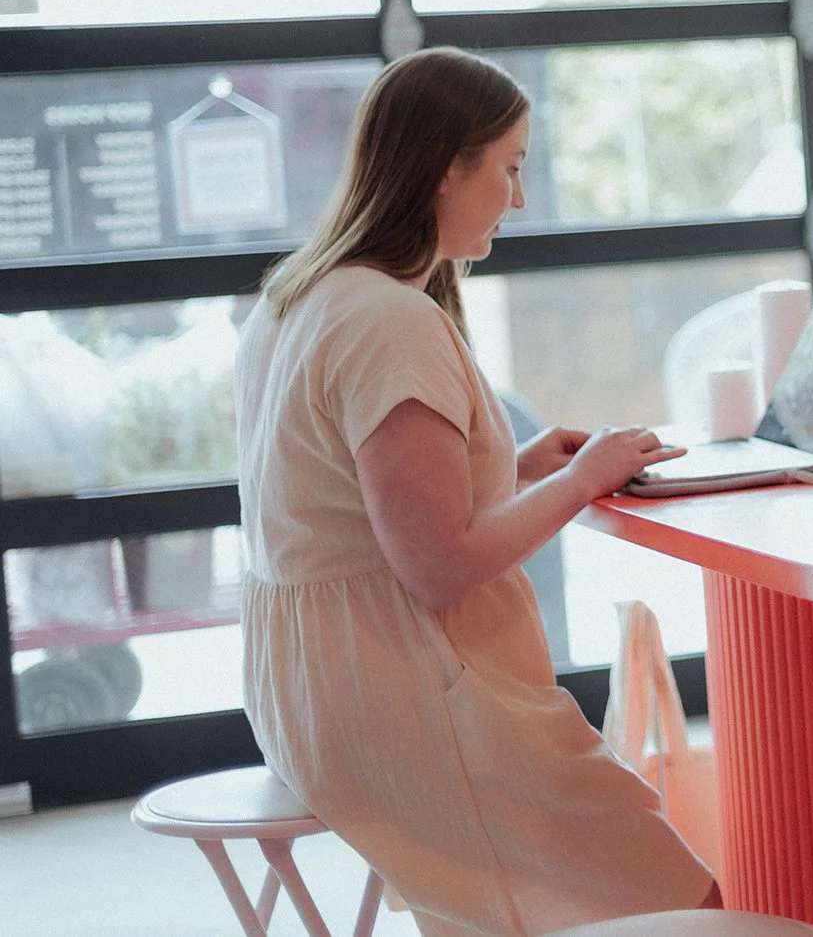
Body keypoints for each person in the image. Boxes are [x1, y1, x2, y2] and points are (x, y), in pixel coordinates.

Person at [234, 48, 719, 936]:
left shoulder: (300, 297)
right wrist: (581, 479)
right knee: (687, 904)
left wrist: (523, 462)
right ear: (447, 165)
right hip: (410, 694)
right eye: (511, 166)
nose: (520, 197)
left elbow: (349, 504)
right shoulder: (392, 323)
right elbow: (438, 567)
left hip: (310, 692)